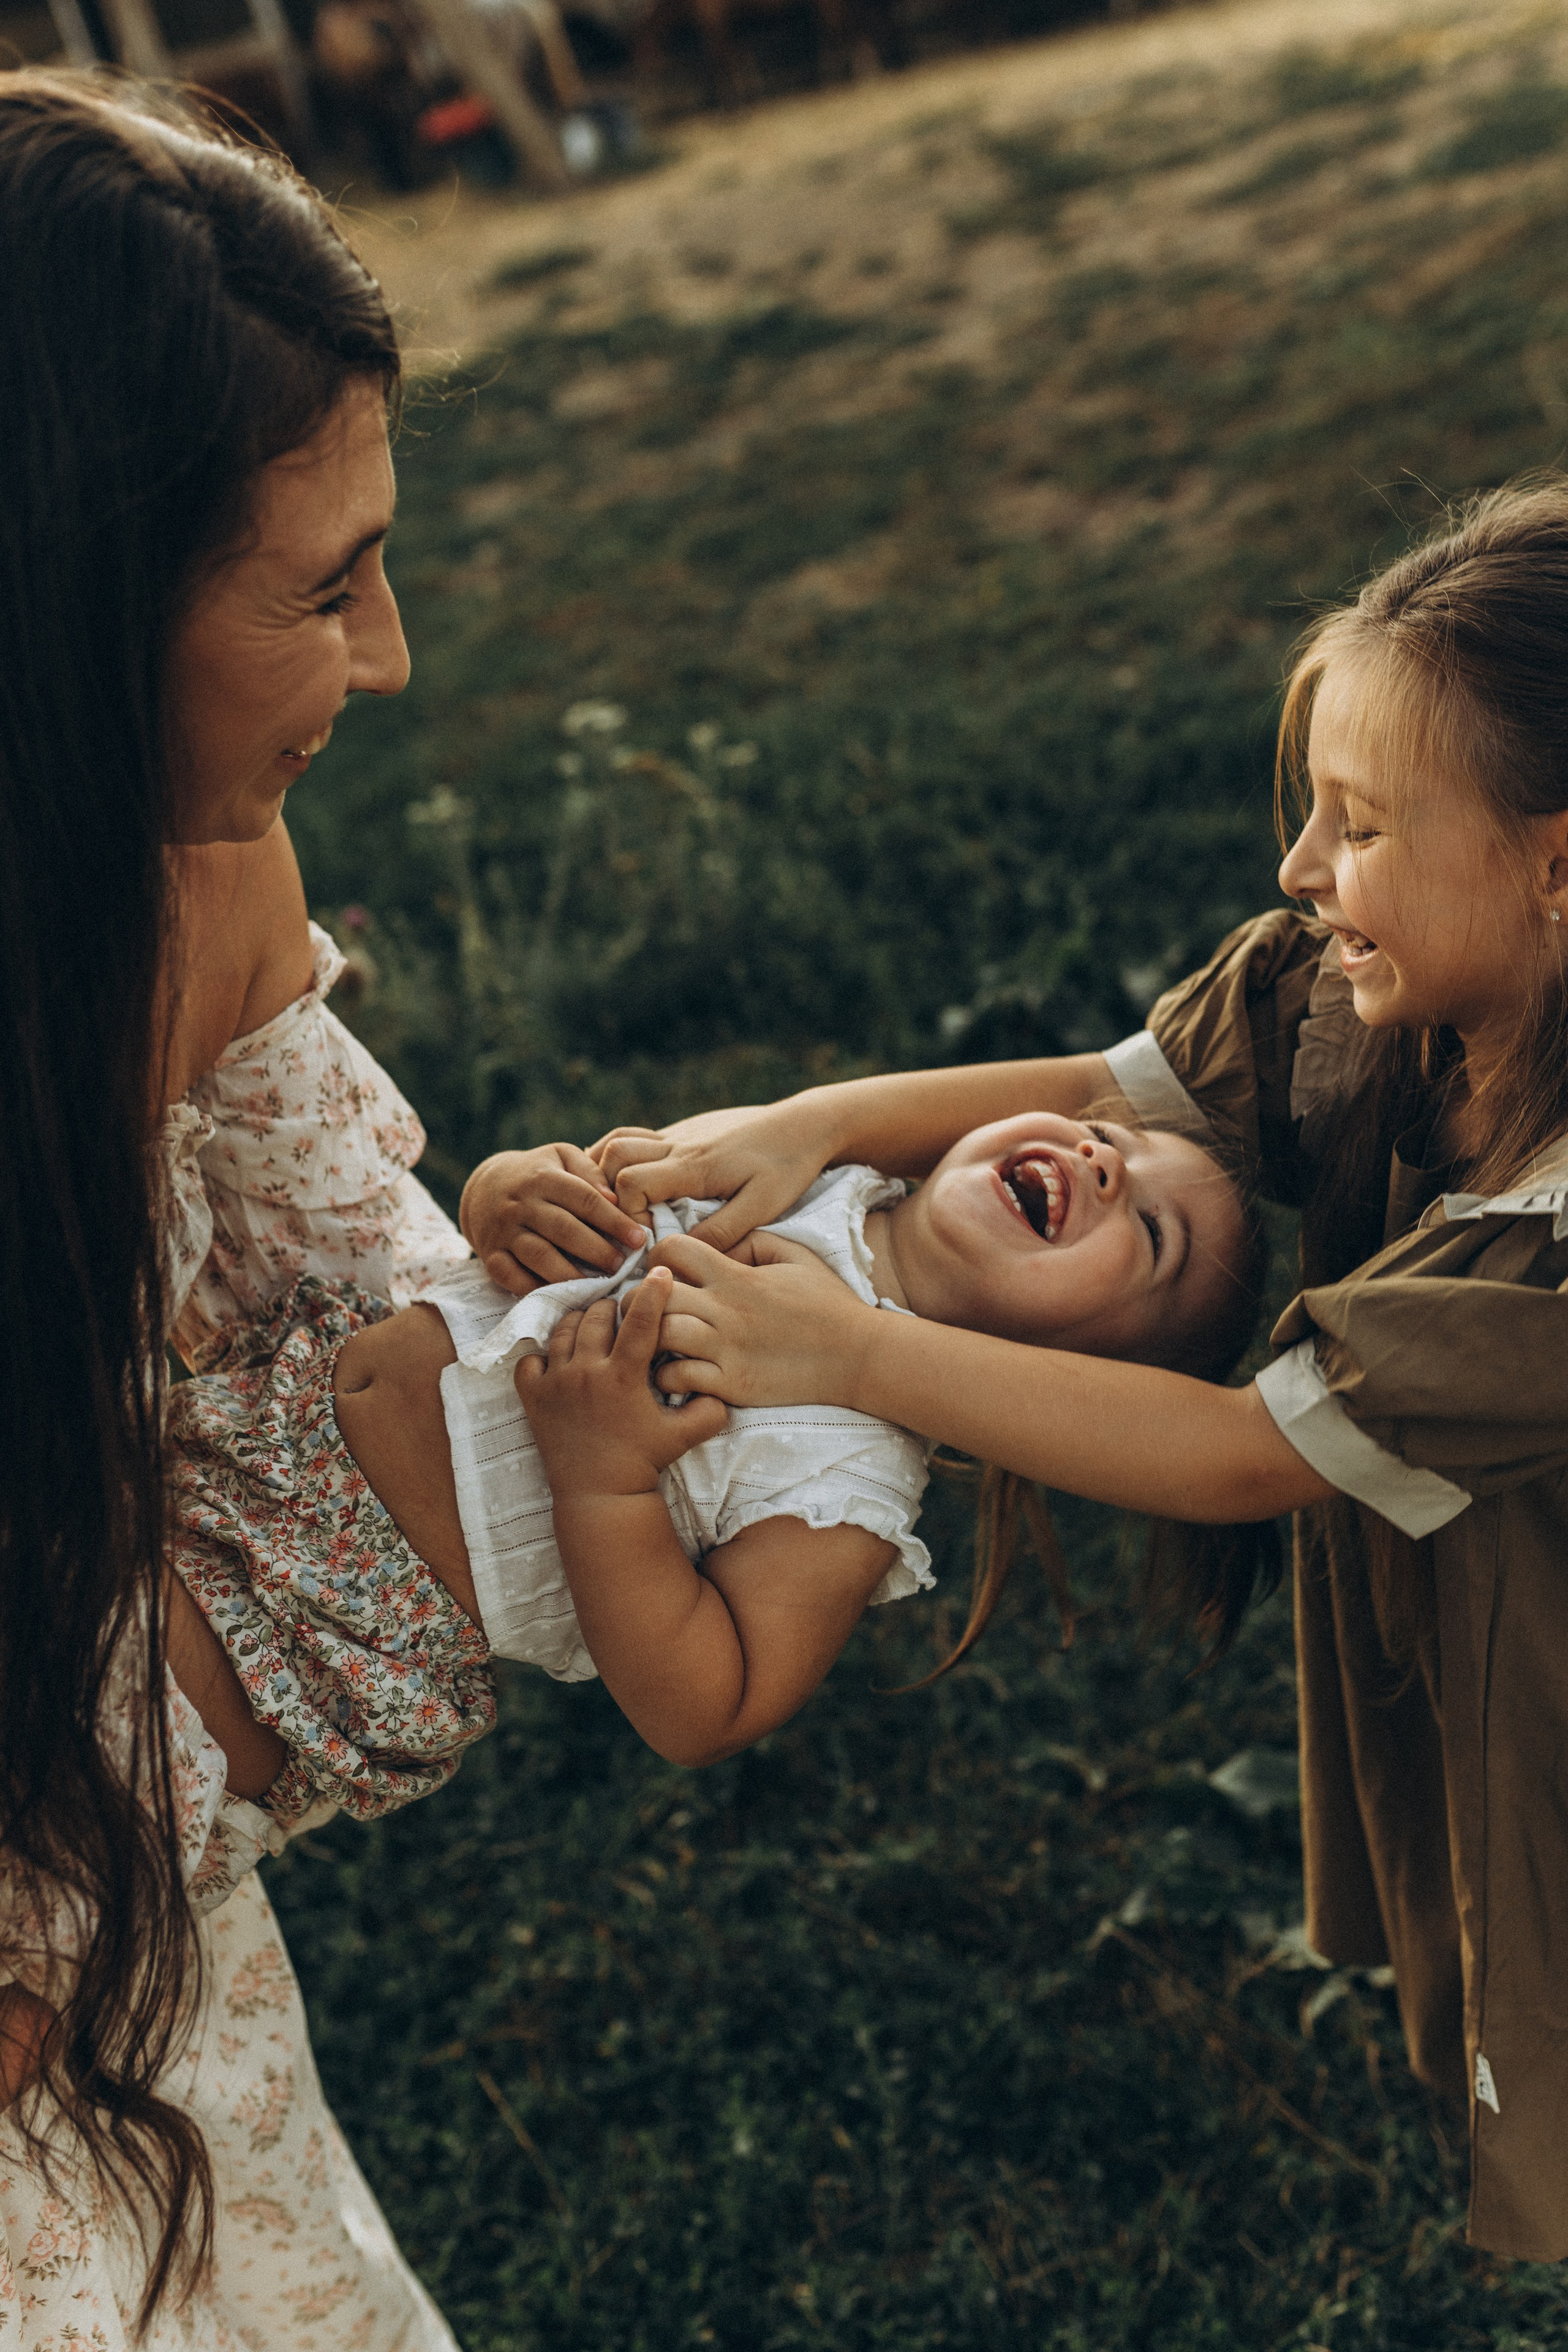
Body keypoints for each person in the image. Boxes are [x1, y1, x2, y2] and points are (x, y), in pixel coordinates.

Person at [601, 480, 1568, 2266]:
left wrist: (854, 1349)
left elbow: (1236, 1458)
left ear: (1559, 865)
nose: (1298, 873)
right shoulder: (1374, 998)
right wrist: (817, 1121)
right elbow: (1111, 1087)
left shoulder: (1552, 1248)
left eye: (1356, 828)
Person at [0, 69, 469, 2348]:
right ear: (70, 601)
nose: (387, 662)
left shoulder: (201, 877)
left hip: (146, 2027)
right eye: (323, 589)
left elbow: (403, 1324)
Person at [163, 1109, 1257, 1785]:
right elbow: (539, 1219)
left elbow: (710, 1706)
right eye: (1109, 1137)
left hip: (311, 1627)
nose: (1104, 1166)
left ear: (1082, 1383)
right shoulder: (788, 1172)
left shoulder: (849, 1471)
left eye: (1154, 1235)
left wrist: (606, 1480)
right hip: (238, 1418)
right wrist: (503, 1195)